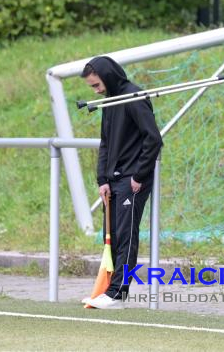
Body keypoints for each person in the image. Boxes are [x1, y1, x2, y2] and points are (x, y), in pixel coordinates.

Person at [81, 56, 163, 309]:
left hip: (133, 180)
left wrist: (139, 176)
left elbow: (153, 139)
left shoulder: (134, 96)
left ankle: (118, 294)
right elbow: (105, 143)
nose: (95, 91)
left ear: (107, 76)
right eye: (92, 88)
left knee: (126, 236)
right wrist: (102, 179)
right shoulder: (110, 101)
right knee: (113, 236)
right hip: (113, 181)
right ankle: (109, 289)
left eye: (96, 85)